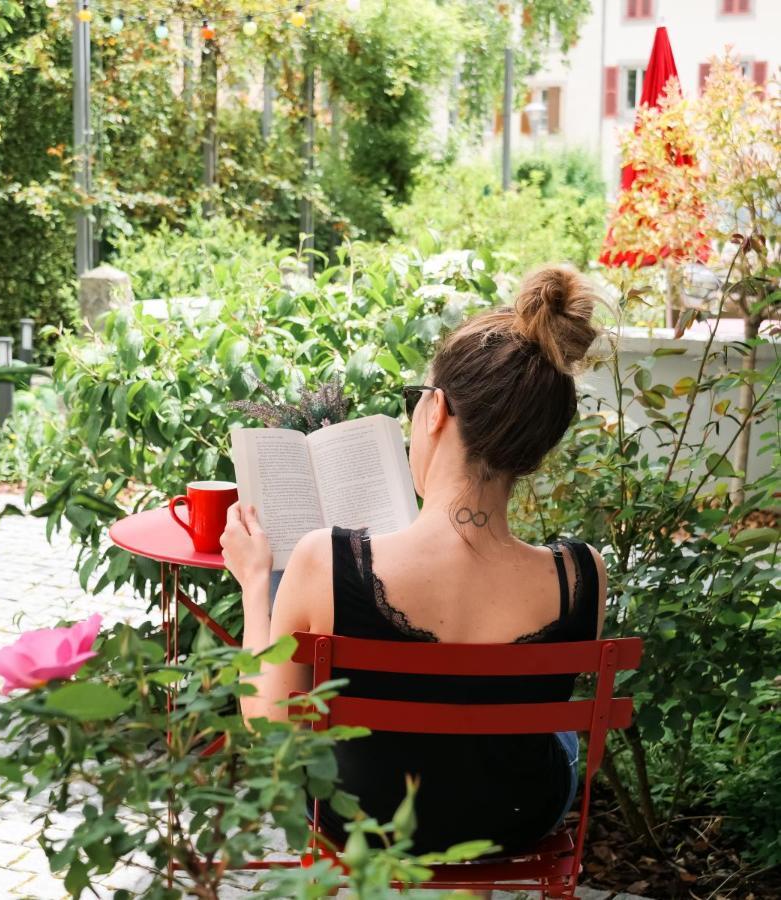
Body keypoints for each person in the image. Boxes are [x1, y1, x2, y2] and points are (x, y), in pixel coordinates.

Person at [220, 264, 609, 855]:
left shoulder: (326, 559)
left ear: (434, 411)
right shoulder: (583, 574)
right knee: (548, 732)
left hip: (362, 816)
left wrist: (255, 580)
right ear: (532, 453)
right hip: (516, 818)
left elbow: (270, 723)